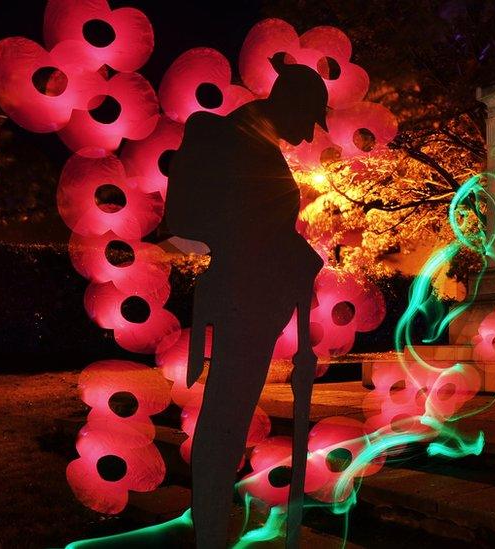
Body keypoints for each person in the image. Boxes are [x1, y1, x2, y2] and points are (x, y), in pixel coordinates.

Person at [165, 56, 327, 548]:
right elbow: (243, 227)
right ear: (289, 104)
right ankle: (210, 528)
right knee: (225, 417)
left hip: (258, 300)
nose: (307, 135)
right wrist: (296, 254)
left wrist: (296, 257)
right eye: (307, 120)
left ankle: (210, 523)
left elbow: (259, 226)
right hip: (246, 298)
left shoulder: (254, 142)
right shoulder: (240, 144)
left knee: (227, 415)